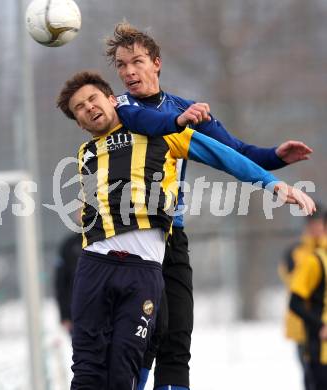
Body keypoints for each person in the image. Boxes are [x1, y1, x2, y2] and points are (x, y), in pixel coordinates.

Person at [56, 71, 314, 389]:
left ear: (113, 100)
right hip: (94, 264)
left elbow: (226, 155)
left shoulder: (163, 133)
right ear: (79, 122)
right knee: (86, 366)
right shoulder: (86, 154)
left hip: (141, 268)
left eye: (92, 98)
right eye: (80, 108)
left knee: (125, 362)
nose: (88, 107)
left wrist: (273, 183)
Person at [279, 208, 327, 390]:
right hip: (305, 327)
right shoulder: (300, 253)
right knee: (311, 374)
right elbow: (295, 288)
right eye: (313, 223)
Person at [54, 231, 82, 334]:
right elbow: (60, 284)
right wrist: (64, 315)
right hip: (77, 315)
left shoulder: (110, 242)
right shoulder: (69, 245)